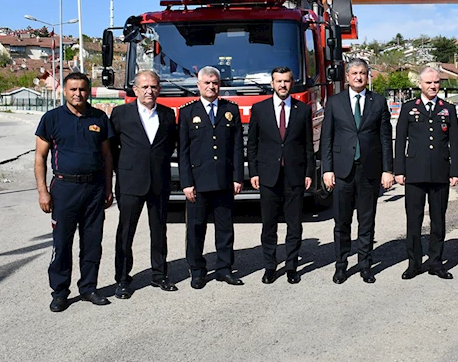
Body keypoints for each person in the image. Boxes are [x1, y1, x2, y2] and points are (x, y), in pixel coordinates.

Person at [34, 72, 114, 312]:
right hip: (64, 189)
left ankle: (89, 287)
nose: (78, 94)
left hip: (94, 188)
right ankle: (60, 292)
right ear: (64, 92)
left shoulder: (99, 118)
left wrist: (108, 188)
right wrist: (42, 192)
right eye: (73, 89)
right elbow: (40, 156)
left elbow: (107, 155)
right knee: (62, 242)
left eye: (82, 89)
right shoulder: (52, 119)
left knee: (92, 243)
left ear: (88, 91)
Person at [321, 59, 394, 284]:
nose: (358, 77)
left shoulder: (379, 102)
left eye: (362, 73)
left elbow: (384, 138)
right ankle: (341, 265)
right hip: (342, 171)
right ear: (347, 76)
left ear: (368, 75)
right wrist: (327, 169)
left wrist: (387, 170)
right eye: (354, 73)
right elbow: (327, 138)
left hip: (369, 171)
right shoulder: (334, 102)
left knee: (366, 221)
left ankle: (365, 265)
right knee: (342, 222)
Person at [109, 70, 178, 299]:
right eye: (145, 87)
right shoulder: (120, 114)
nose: (149, 91)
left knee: (159, 230)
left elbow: (169, 147)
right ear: (135, 89)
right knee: (126, 232)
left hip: (159, 181)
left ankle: (160, 274)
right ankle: (122, 279)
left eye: (154, 87)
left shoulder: (168, 115)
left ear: (159, 89)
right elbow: (111, 149)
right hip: (130, 182)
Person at [178, 66, 244, 289]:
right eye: (206, 82)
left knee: (225, 228)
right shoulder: (188, 112)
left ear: (220, 85)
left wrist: (237, 177)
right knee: (196, 229)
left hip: (224, 179)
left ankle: (225, 269)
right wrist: (186, 182)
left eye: (215, 82)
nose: (211, 86)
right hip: (197, 181)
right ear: (198, 85)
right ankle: (197, 271)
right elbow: (183, 151)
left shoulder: (230, 110)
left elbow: (237, 148)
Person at [247, 67, 314, 285]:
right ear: (272, 83)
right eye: (278, 81)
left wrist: (309, 173)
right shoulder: (259, 109)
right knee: (269, 224)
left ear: (292, 83)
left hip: (294, 175)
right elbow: (253, 145)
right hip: (268, 175)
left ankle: (292, 266)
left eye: (286, 81)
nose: (282, 85)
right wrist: (254, 172)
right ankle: (269, 266)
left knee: (294, 224)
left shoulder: (302, 110)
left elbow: (307, 146)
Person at [394, 67, 458, 280]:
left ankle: (435, 262)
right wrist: (399, 170)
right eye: (429, 83)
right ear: (420, 85)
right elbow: (400, 140)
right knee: (413, 221)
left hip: (440, 172)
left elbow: (455, 143)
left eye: (436, 82)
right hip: (414, 172)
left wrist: (455, 171)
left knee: (438, 220)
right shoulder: (408, 108)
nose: (433, 86)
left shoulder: (447, 108)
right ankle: (414, 263)